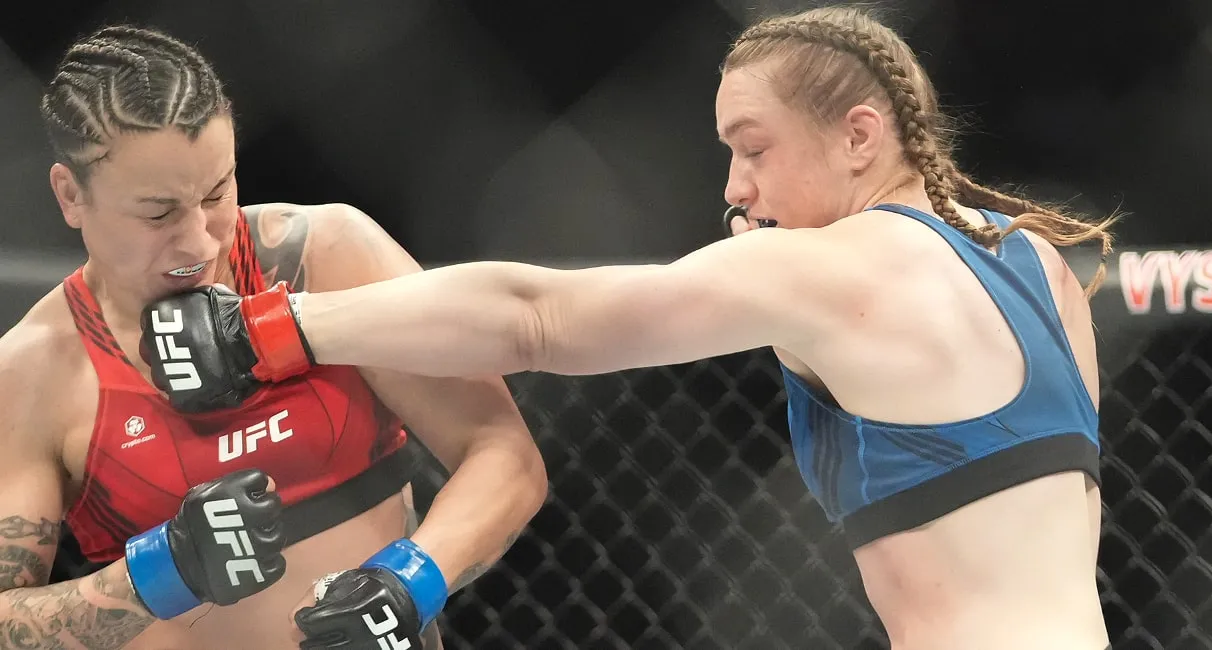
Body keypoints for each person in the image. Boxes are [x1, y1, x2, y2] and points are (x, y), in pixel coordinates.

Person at [144, 6, 1117, 650]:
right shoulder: (1038, 266)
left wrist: (273, 328)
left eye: (754, 150)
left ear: (860, 136)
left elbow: (537, 317)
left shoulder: (834, 267)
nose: (735, 187)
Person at [0, 25, 548, 650]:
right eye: (158, 212)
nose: (200, 241)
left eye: (217, 193)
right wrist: (162, 571)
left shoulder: (326, 260)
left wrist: (410, 583)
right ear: (71, 195)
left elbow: (505, 454)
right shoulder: (36, 370)